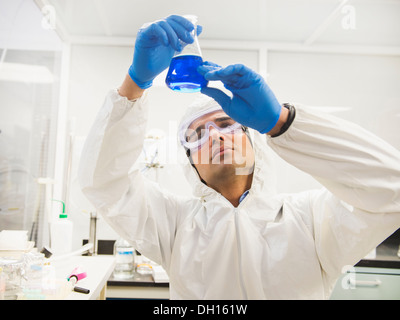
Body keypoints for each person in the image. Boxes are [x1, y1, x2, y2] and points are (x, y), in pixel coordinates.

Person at [78, 15, 400, 299]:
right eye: (198, 134)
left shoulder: (310, 220)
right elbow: (104, 182)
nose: (216, 135)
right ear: (192, 166)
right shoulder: (175, 226)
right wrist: (134, 83)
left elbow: (392, 192)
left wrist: (281, 122)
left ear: (253, 142)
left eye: (227, 124)